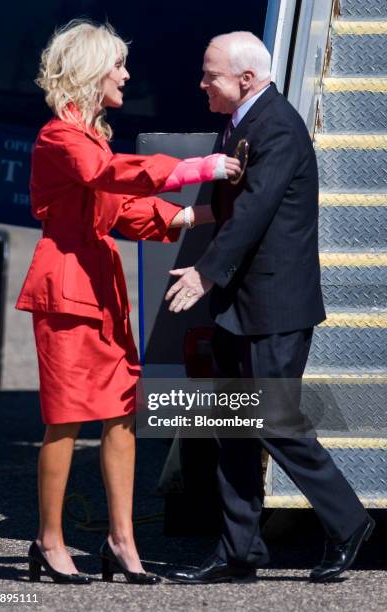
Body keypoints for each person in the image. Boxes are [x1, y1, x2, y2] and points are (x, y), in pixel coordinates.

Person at [15, 20, 240, 585]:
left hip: (100, 286)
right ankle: (48, 541)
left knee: (121, 417)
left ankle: (121, 542)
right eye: (117, 65)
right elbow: (106, 176)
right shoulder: (60, 138)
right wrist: (192, 170)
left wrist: (201, 213)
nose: (126, 74)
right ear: (91, 72)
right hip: (67, 290)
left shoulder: (91, 137)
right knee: (66, 421)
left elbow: (121, 212)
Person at [166, 31, 374, 584]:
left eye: (211, 75)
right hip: (242, 302)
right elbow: (230, 201)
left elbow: (255, 210)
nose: (202, 83)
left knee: (277, 422)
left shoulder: (276, 125)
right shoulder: (241, 121)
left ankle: (348, 522)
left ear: (247, 79)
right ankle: (239, 550)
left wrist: (206, 273)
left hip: (275, 305)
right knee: (233, 427)